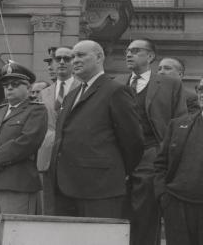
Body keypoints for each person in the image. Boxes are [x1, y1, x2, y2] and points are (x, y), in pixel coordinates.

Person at [50, 40, 143, 219]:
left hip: (100, 188)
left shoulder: (116, 91)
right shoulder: (71, 95)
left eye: (81, 55)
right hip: (65, 186)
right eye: (73, 56)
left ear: (99, 57)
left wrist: (115, 172)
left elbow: (133, 141)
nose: (74, 60)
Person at [116, 38, 188, 245]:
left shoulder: (169, 84)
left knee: (146, 210)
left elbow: (179, 122)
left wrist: (170, 159)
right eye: (127, 51)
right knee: (119, 210)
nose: (129, 54)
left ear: (150, 57)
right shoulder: (116, 82)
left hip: (152, 153)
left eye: (136, 50)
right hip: (119, 156)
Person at [0, 61, 48, 218]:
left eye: (15, 84)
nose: (9, 88)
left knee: (15, 234)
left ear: (28, 88)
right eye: (6, 85)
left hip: (16, 182)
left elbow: (27, 142)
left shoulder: (36, 110)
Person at [154, 78, 203, 245]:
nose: (202, 94)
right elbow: (161, 164)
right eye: (201, 89)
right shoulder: (178, 124)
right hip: (176, 205)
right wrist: (163, 195)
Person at [37, 46, 80, 215]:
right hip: (46, 154)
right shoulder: (45, 92)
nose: (61, 62)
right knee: (47, 207)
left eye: (67, 59)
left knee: (71, 208)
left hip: (72, 154)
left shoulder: (82, 88)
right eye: (57, 59)